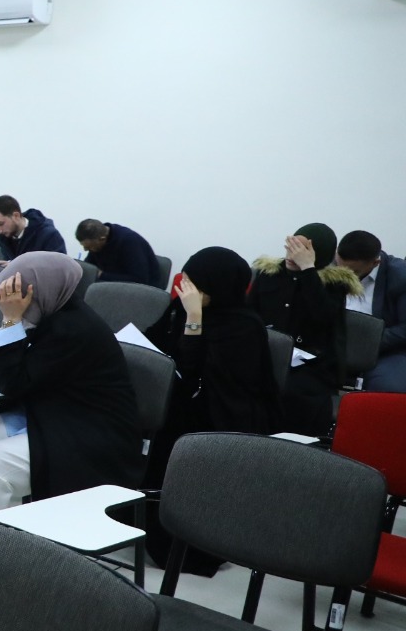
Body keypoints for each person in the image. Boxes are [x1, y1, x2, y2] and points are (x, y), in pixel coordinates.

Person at [0, 252, 142, 516]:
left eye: (17, 295)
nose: (12, 304)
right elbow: (37, 368)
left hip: (91, 434)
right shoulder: (56, 311)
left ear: (37, 290)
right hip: (57, 413)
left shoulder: (72, 328)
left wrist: (10, 321)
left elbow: (13, 383)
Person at [141, 247, 281, 573]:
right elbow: (153, 339)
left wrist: (194, 320)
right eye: (185, 279)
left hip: (221, 415)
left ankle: (195, 544)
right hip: (181, 401)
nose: (185, 288)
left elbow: (195, 370)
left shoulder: (243, 326)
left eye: (194, 283)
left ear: (217, 287)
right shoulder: (182, 305)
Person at [249, 223, 360, 434]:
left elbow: (323, 318)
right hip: (266, 353)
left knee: (294, 394)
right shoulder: (269, 274)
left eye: (302, 251)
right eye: (292, 247)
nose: (293, 255)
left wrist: (308, 270)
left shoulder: (333, 284)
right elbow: (250, 316)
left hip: (310, 362)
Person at [337, 230, 406, 392]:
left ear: (375, 263)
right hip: (336, 345)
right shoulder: (330, 267)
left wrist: (366, 343)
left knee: (389, 388)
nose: (345, 276)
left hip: (384, 351)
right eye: (341, 269)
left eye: (353, 272)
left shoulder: (401, 277)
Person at [75, 219, 162, 287]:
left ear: (102, 239)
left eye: (89, 247)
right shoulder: (97, 240)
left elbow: (139, 279)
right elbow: (90, 267)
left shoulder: (129, 241)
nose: (85, 250)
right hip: (112, 284)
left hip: (143, 290)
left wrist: (102, 275)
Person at [0, 195, 66, 268]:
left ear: (16, 216)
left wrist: (18, 267)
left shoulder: (50, 236)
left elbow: (60, 270)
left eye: (1, 224)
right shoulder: (4, 241)